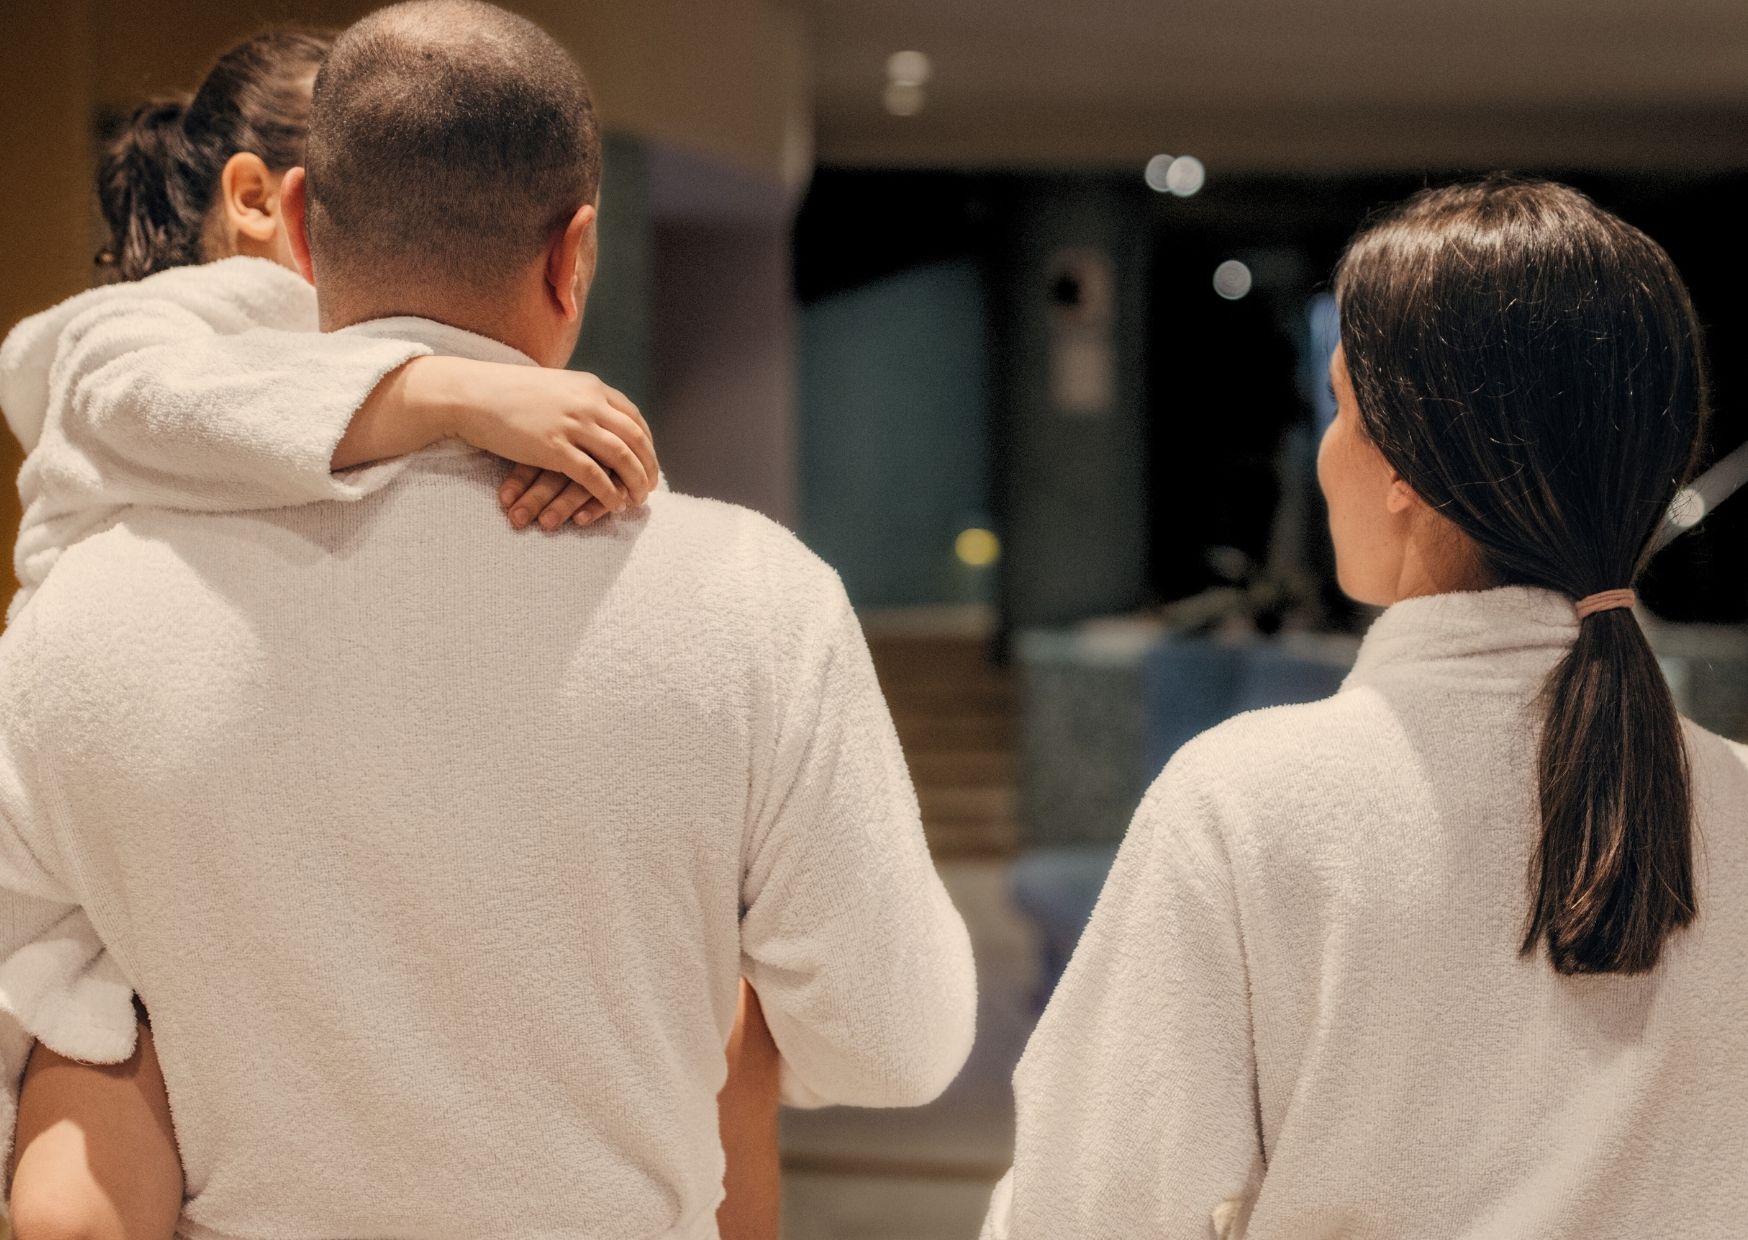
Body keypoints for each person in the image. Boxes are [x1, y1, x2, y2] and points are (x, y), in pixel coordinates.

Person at [0, 3, 976, 1237]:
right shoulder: (751, 598)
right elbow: (897, 1043)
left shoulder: (75, 617)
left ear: (298, 222)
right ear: (574, 254)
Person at [985, 176, 1748, 1239]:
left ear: (1399, 461)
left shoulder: (1245, 805)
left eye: (1341, 404)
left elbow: (1086, 1207)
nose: (1327, 446)